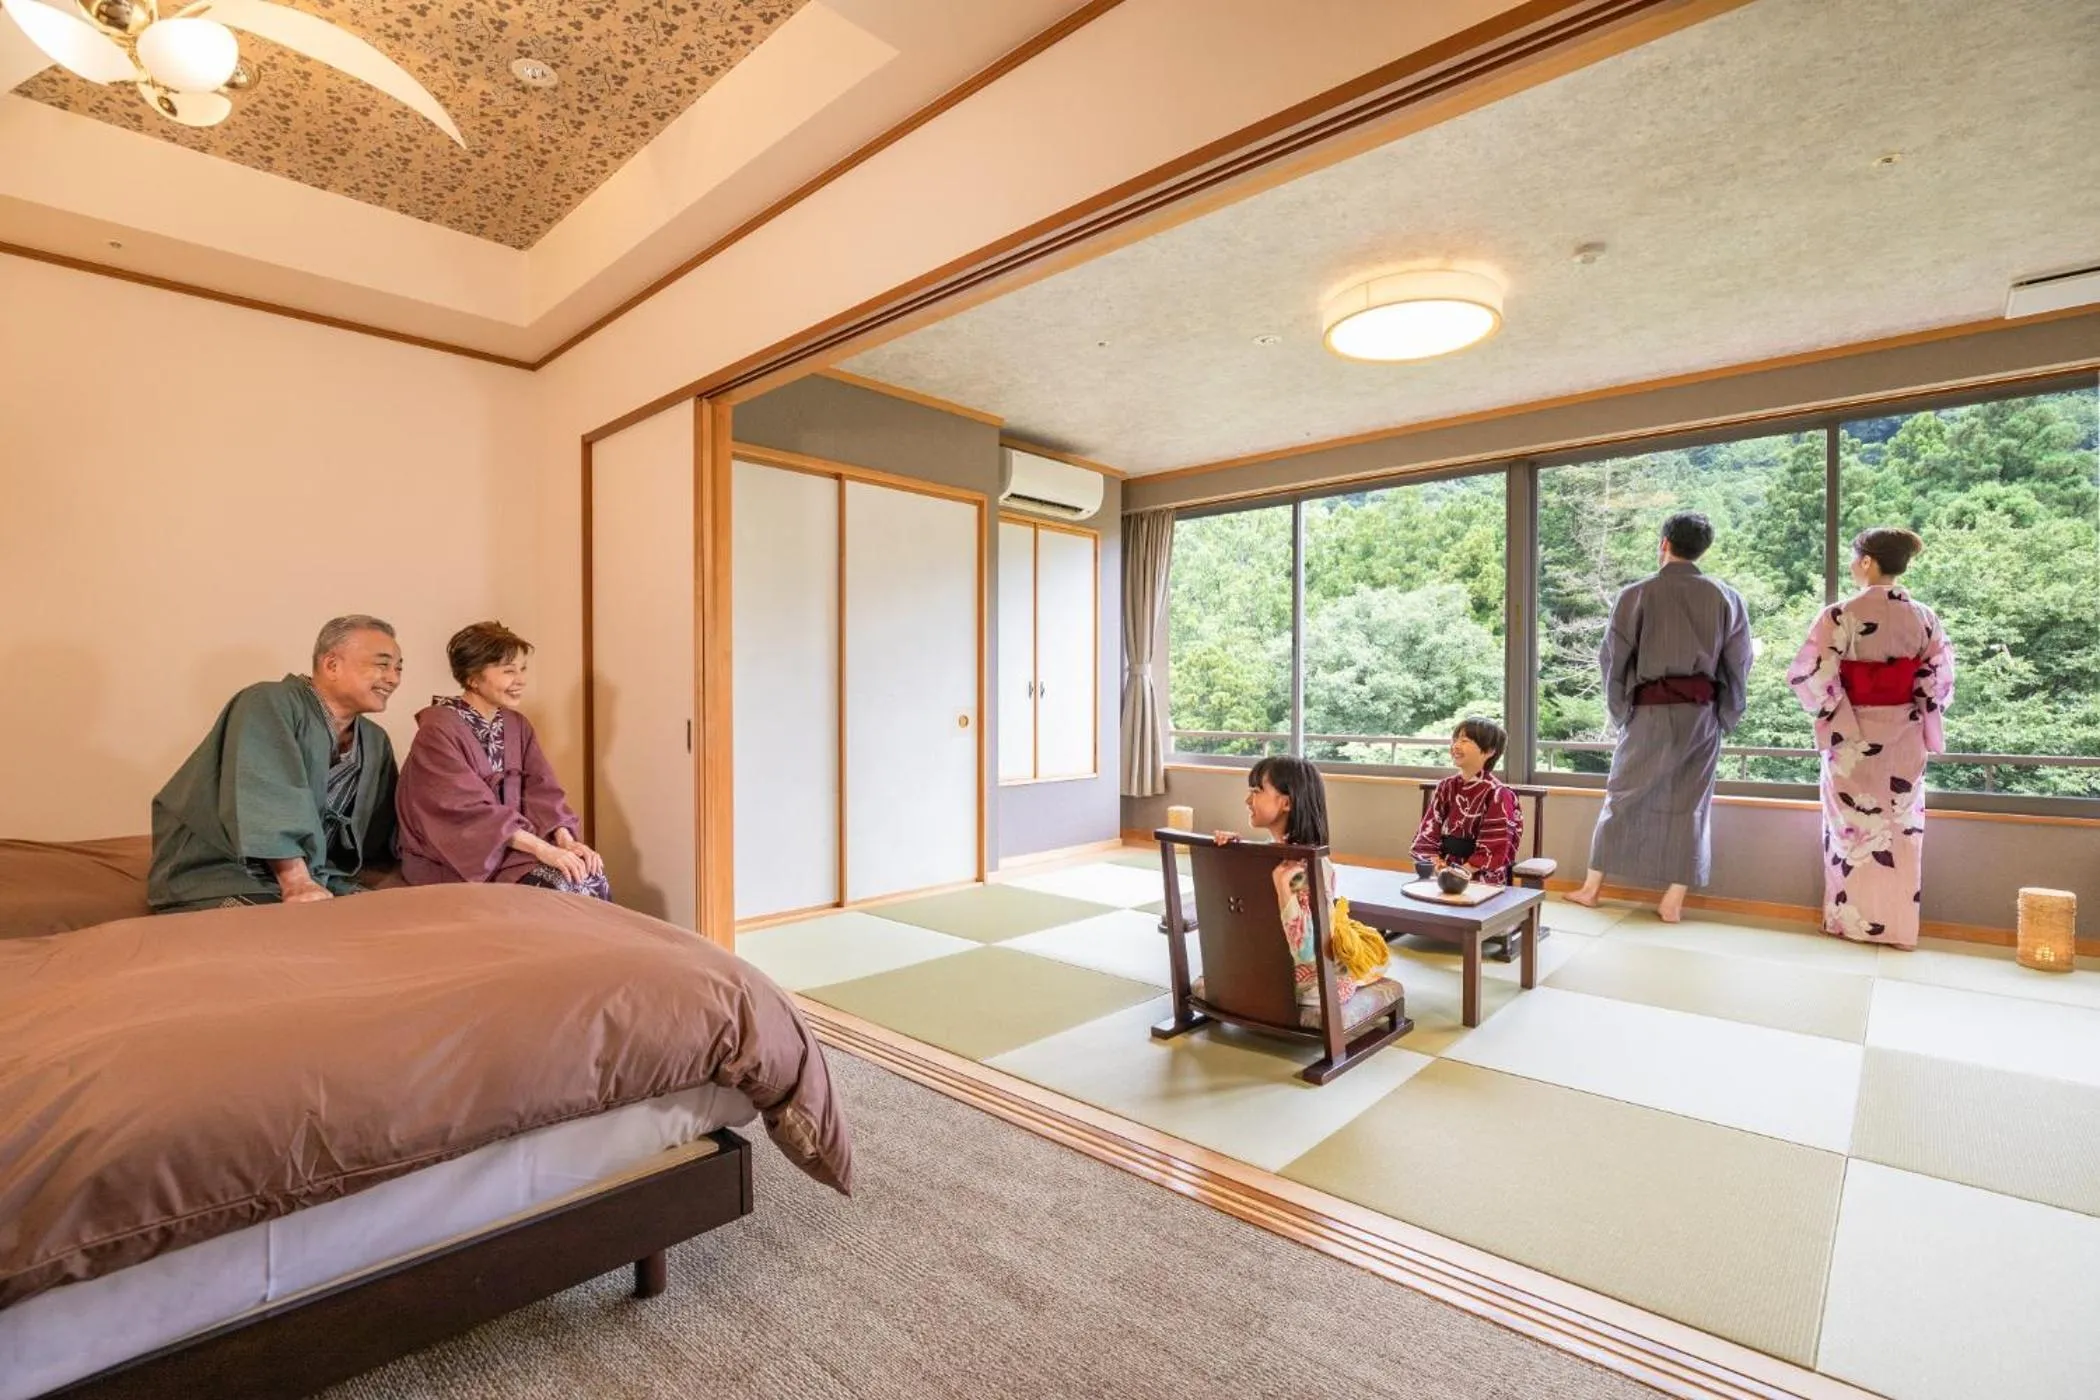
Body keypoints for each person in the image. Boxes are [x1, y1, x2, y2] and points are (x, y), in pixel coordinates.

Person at [1568, 512, 1753, 922]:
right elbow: (1739, 662)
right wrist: (1726, 714)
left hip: (1648, 710)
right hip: (1702, 715)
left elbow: (1613, 658)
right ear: (1703, 549)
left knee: (1623, 794)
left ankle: (1592, 888)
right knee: (1691, 802)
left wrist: (1621, 712)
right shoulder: (1727, 597)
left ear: (1664, 543)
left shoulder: (1637, 594)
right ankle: (1673, 901)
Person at [149, 616, 402, 912]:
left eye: (399, 668)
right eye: (382, 664)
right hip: (222, 871)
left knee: (386, 913)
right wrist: (295, 880)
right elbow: (267, 791)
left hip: (320, 874)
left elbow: (382, 828)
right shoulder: (267, 701)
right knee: (289, 931)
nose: (393, 679)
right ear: (332, 665)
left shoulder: (374, 739)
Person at [1787, 528, 1953, 948]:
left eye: (1853, 557)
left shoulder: (1839, 615)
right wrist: (1913, 711)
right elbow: (1937, 682)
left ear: (1866, 561)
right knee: (1900, 831)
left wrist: (1841, 717)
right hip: (1905, 738)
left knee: (1850, 830)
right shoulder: (1925, 617)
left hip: (1853, 739)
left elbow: (1810, 675)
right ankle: (1898, 928)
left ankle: (1847, 922)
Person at [395, 621, 609, 899]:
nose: (520, 680)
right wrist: (542, 849)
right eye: (509, 671)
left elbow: (542, 789)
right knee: (560, 884)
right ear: (473, 678)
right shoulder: (438, 729)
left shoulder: (516, 725)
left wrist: (564, 839)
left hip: (512, 842)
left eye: (523, 669)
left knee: (589, 876)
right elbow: (462, 809)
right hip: (456, 852)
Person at [1214, 756, 1393, 1014]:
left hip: (1266, 976)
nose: (1247, 800)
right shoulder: (1271, 857)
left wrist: (1281, 886)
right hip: (1290, 981)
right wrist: (1232, 852)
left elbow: (1306, 950)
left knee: (1364, 950)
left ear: (1286, 803)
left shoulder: (1308, 867)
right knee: (1370, 959)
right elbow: (1306, 950)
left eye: (1256, 791)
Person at [1411, 716, 1523, 886]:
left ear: (1489, 751)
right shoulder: (1445, 786)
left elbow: (1496, 845)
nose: (1456, 746)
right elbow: (1429, 831)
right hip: (1442, 870)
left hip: (1481, 876)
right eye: (1455, 740)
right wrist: (1437, 864)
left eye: (1464, 741)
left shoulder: (1499, 793)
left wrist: (1460, 872)